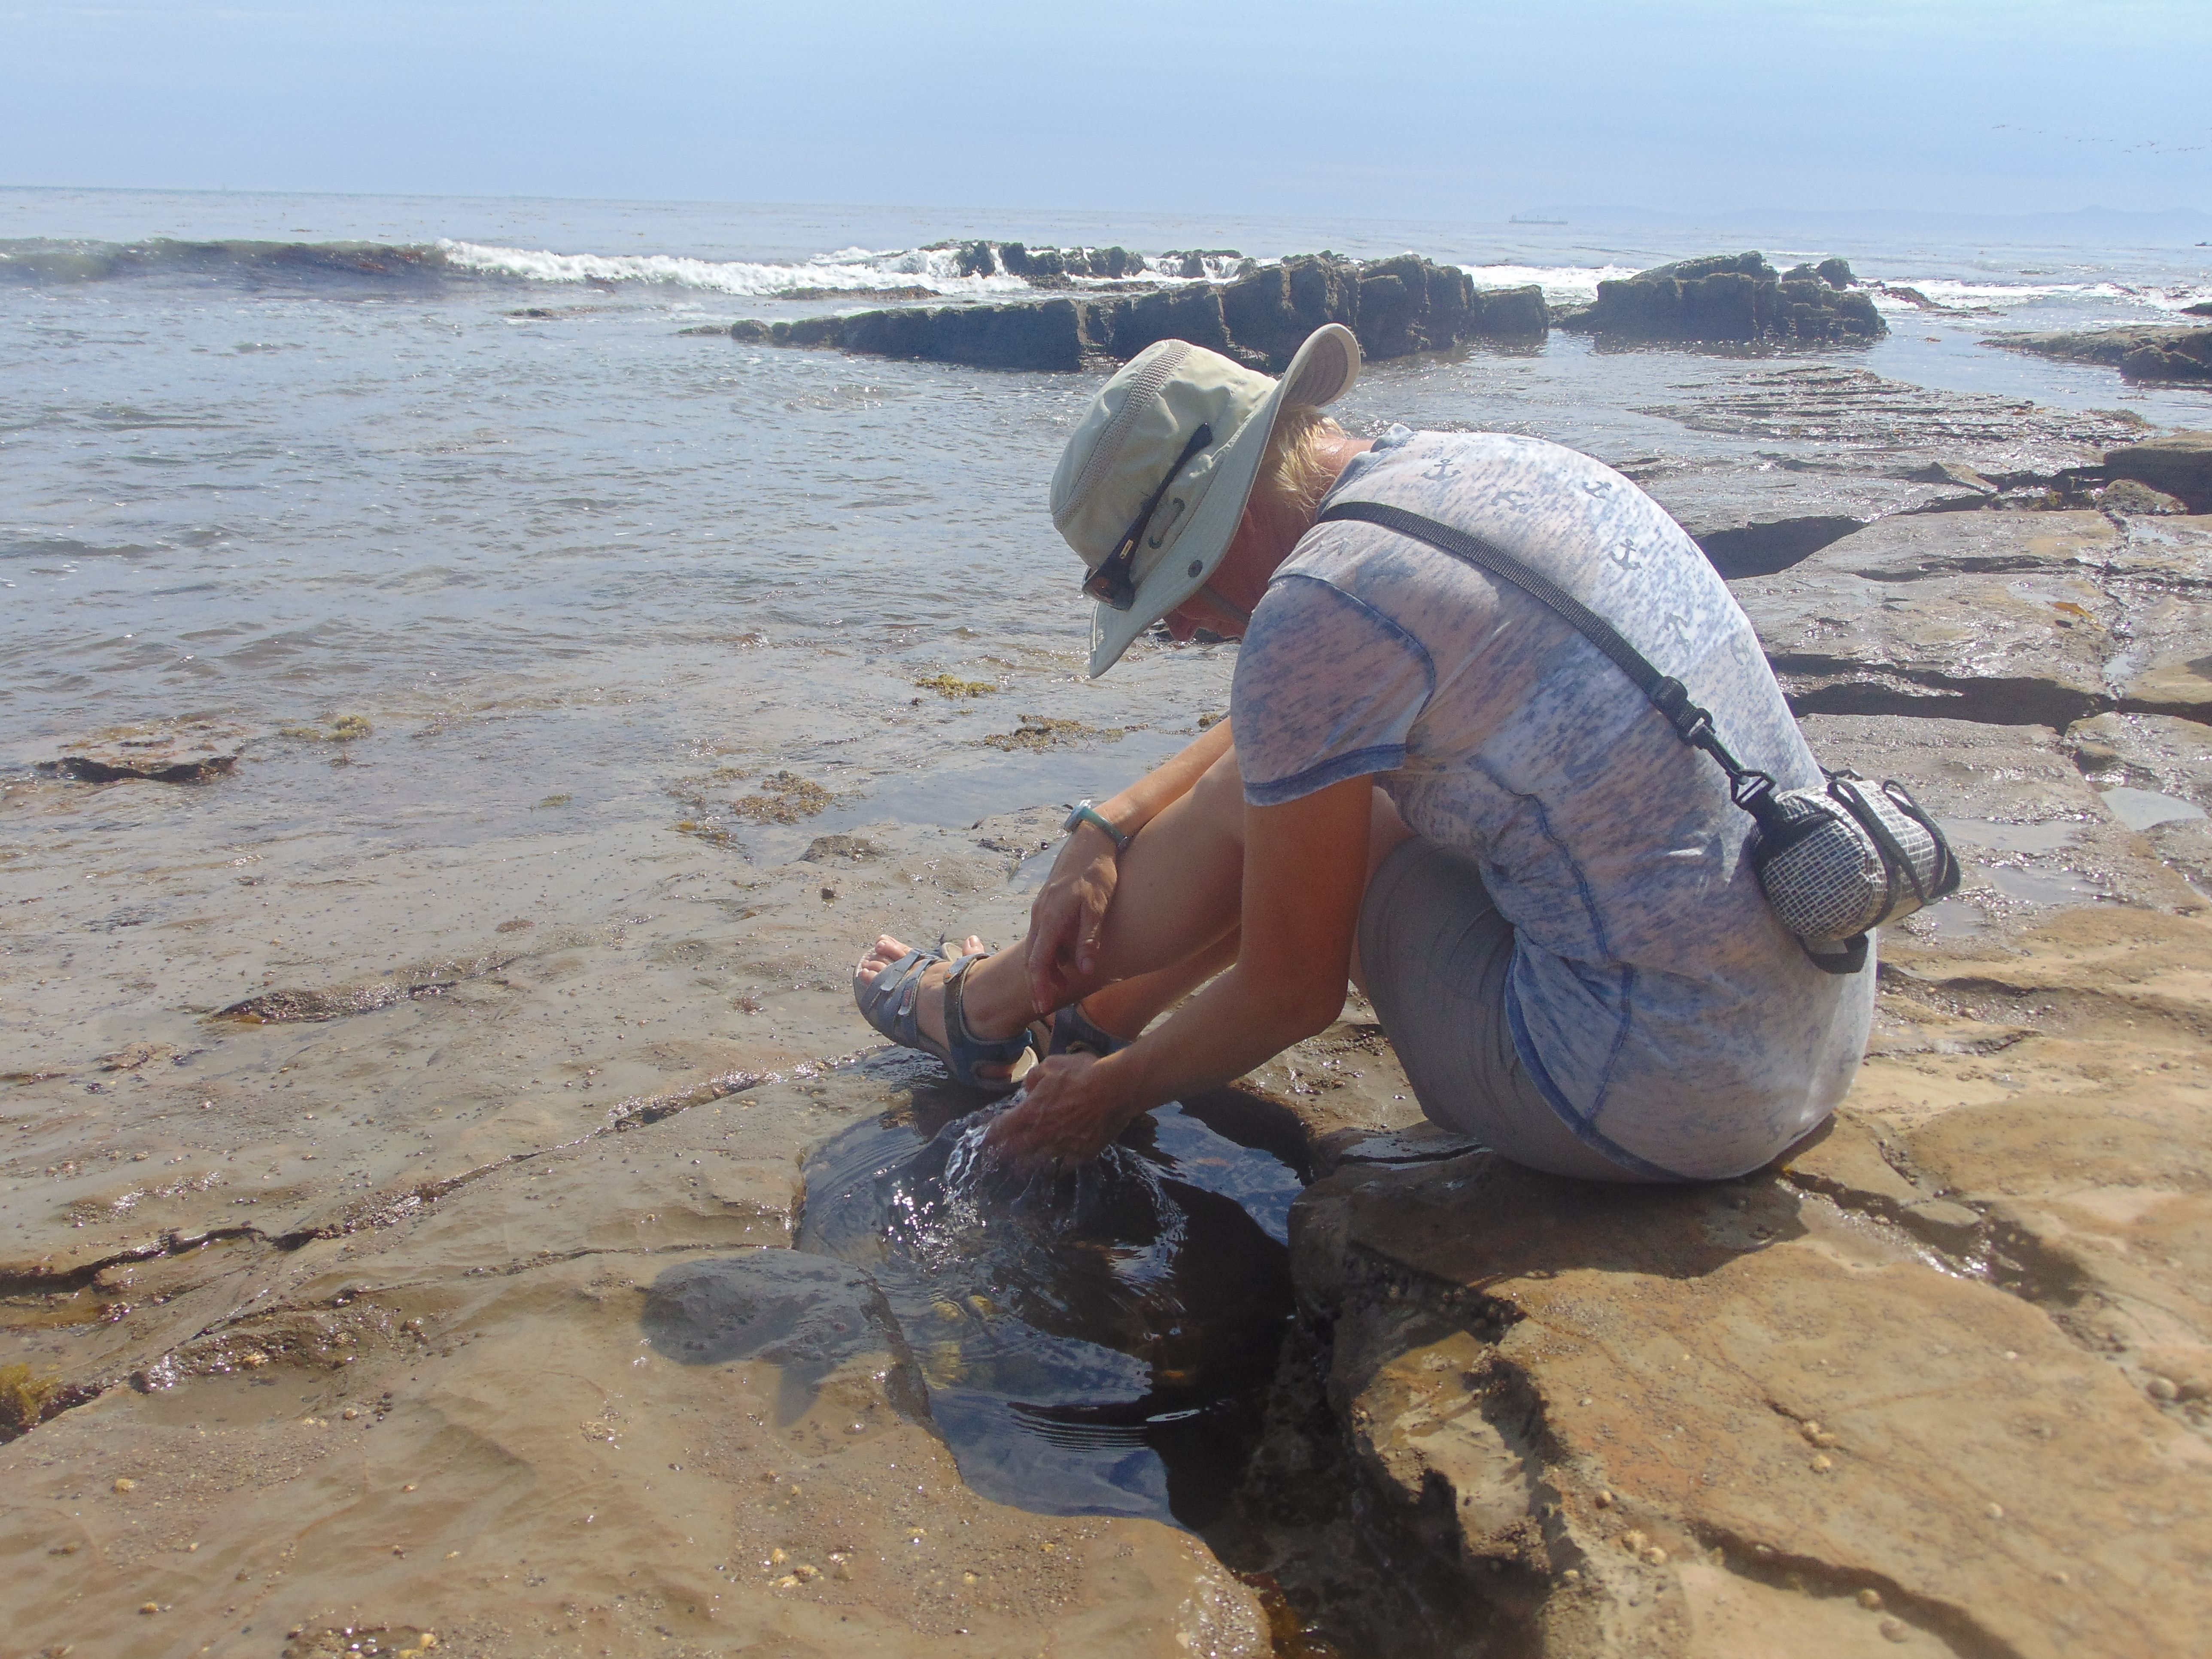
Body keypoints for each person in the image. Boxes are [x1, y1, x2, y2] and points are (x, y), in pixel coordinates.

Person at [854, 324, 1874, 1184]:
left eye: (1171, 594)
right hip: (1806, 1026)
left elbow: (1296, 995)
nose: (1181, 633)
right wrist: (1109, 824)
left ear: (1225, 520)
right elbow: (1310, 718)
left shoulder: (1315, 613)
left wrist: (1110, 1102)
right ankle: (1075, 1015)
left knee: (1301, 816)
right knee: (1298, 788)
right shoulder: (1473, 468)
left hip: (1645, 1094)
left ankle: (989, 1013)